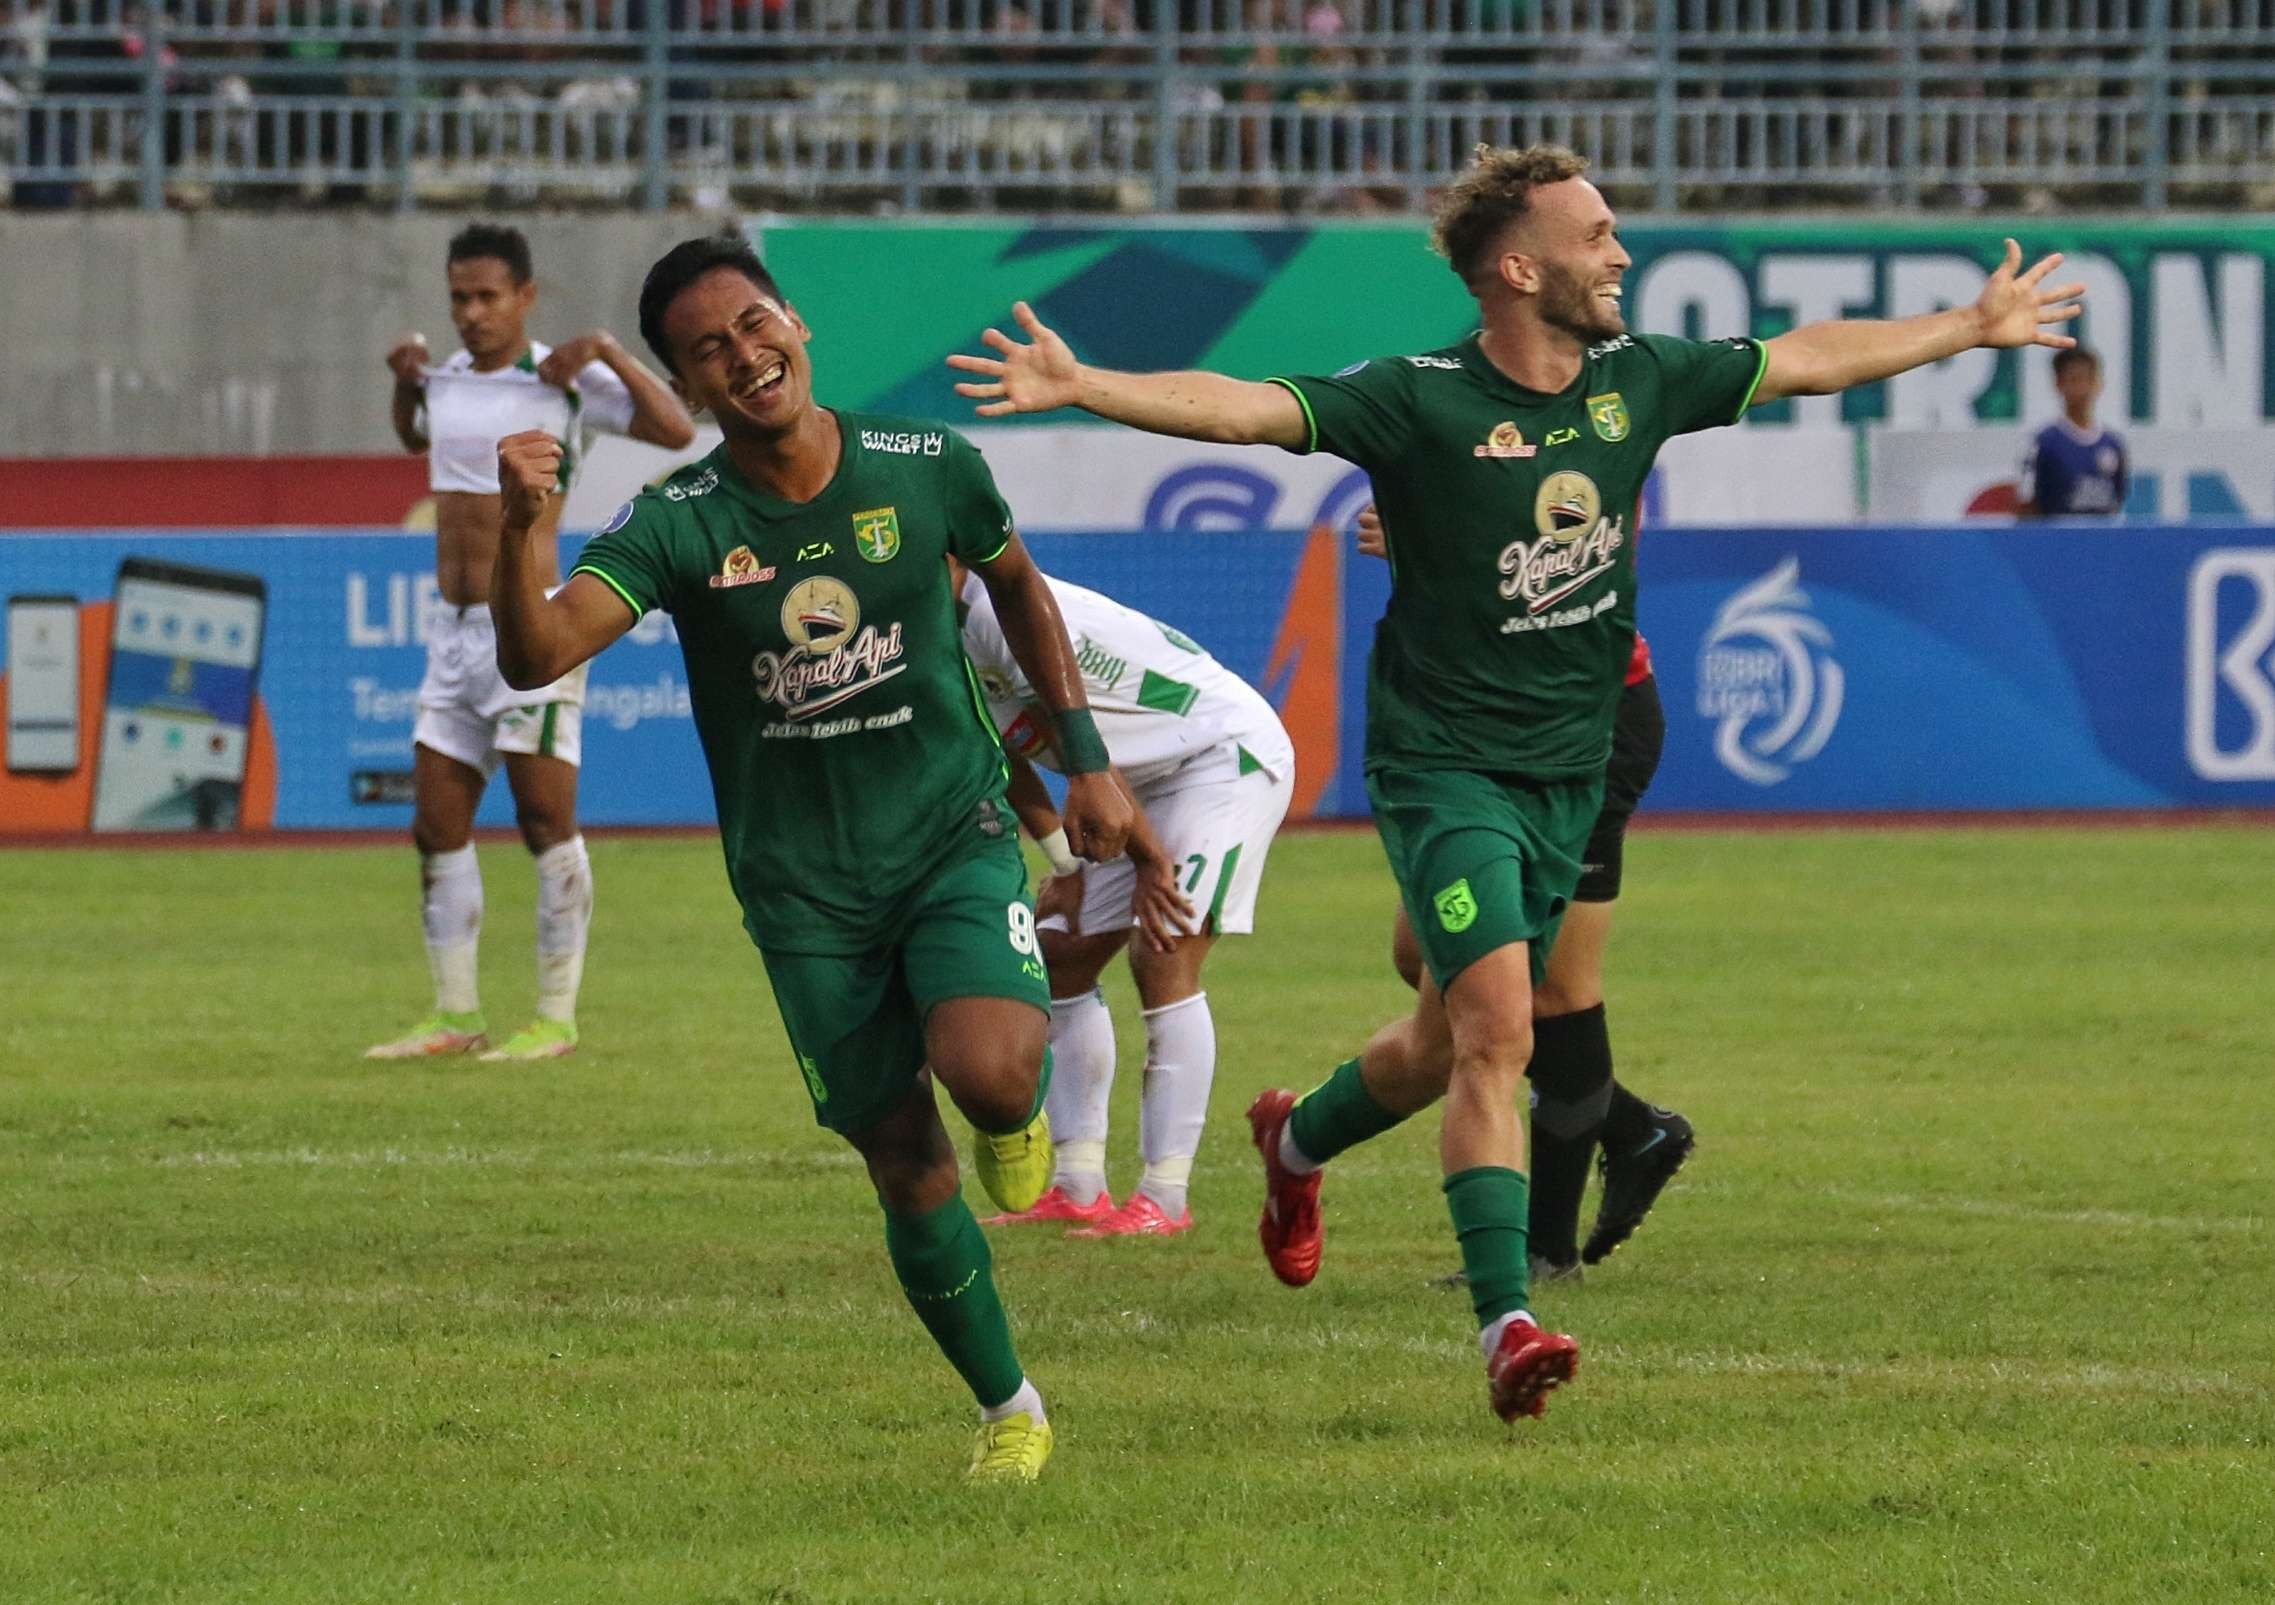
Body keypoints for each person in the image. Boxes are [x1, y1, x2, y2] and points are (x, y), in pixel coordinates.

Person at [949, 142, 2081, 1422]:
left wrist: (1970, 327)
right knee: (1501, 1033)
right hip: (1444, 769)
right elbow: (1247, 407)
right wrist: (1083, 380)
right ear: (1517, 266)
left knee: (1437, 1041)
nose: (1623, 253)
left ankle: (1296, 1139)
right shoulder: (1417, 398)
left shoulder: (1637, 382)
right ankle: (1508, 1324)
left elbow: (1810, 356)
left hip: (1570, 765)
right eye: (1598, 233)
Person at [485, 233, 1136, 1482]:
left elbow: (1019, 585)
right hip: (801, 895)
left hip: (950, 837)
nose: (742, 357)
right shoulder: (679, 524)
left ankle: (1016, 1113)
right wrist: (528, 527)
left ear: (795, 324)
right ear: (691, 386)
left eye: (752, 326)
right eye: (706, 353)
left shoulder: (927, 460)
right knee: (904, 1159)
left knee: (994, 1074)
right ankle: (1011, 1407)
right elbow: (536, 654)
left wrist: (1091, 759)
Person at [365, 222, 696, 1065]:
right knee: (435, 822)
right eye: (458, 298)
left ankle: (554, 1016)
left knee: (544, 817)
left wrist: (608, 352)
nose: (471, 313)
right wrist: (406, 385)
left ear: (525, 298)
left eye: (487, 296)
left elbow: (675, 430)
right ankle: (453, 1013)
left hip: (534, 626)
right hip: (452, 635)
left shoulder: (562, 379)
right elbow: (414, 437)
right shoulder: (444, 381)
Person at [1359, 504, 1693, 1281]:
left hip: (1585, 724)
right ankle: (1633, 1124)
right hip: (1489, 728)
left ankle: (1546, 1250)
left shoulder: (1587, 421)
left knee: (1550, 990)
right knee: (1424, 956)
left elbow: (1569, 570)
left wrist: (1433, 538)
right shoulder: (1462, 416)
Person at [957, 562, 1294, 1241]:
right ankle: (1077, 1183)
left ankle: (1163, 1196)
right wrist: (1065, 862)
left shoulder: (1001, 614)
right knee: (1058, 951)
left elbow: (1083, 741)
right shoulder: (933, 624)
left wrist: (1145, 860)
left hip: (1219, 757)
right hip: (1127, 781)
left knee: (1162, 949)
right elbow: (1002, 755)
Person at [2018, 346, 2127, 518]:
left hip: (2100, 541)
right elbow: (2026, 502)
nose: (2083, 389)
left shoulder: (2112, 444)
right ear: (2059, 384)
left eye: (2089, 380)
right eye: (2075, 380)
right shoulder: (2046, 443)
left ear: (2099, 384)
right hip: (2058, 541)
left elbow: (2118, 499)